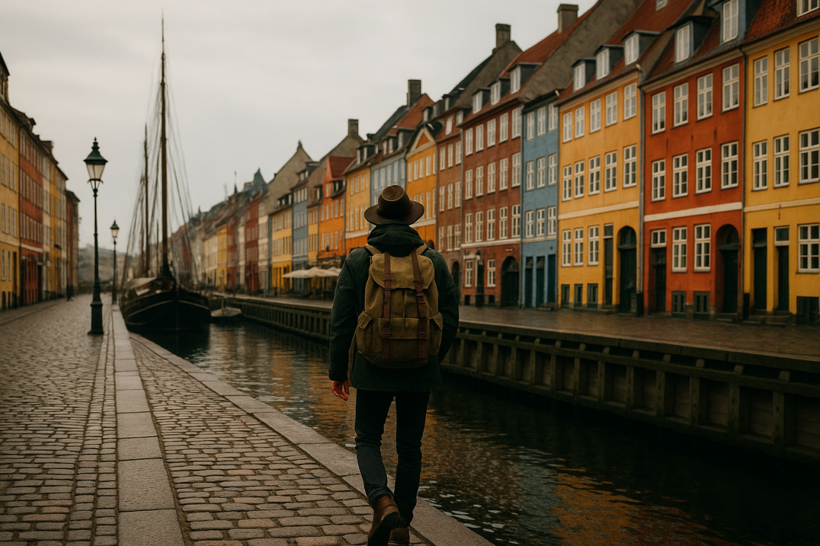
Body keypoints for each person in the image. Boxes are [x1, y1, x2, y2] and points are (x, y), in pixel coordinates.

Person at [329, 185, 459, 546]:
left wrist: (338, 371)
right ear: (409, 219)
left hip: (372, 367)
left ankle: (382, 502)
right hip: (419, 367)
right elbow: (450, 317)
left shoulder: (358, 258)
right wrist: (431, 356)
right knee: (410, 447)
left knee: (368, 438)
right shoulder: (433, 259)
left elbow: (341, 322)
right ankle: (402, 521)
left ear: (379, 220)